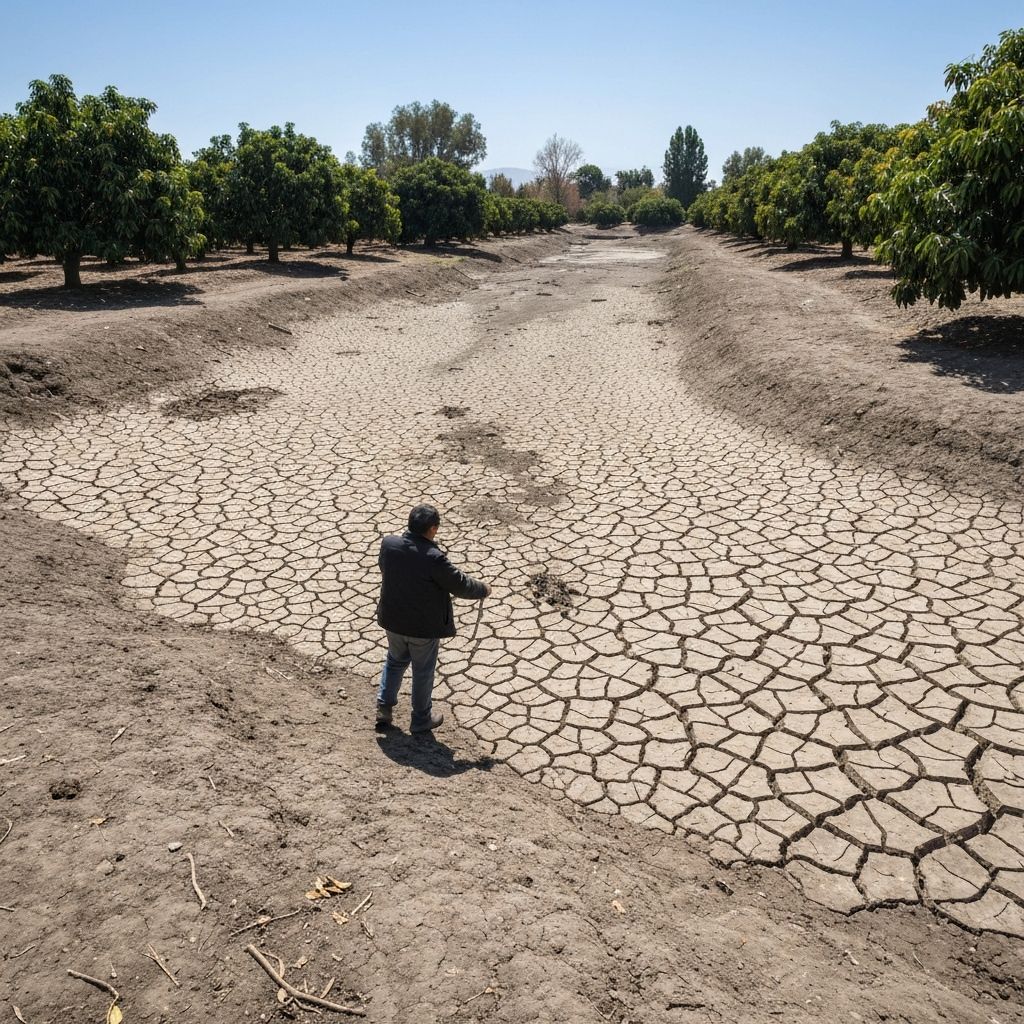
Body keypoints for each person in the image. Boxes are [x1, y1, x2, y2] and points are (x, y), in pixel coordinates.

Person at [375, 503, 490, 732]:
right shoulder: (434, 558)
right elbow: (460, 585)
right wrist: (483, 589)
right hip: (422, 629)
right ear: (432, 529)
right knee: (423, 672)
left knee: (395, 661)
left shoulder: (389, 545)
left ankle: (384, 708)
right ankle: (420, 720)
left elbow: (384, 568)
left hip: (393, 620)